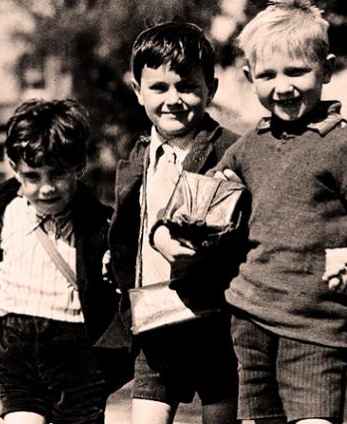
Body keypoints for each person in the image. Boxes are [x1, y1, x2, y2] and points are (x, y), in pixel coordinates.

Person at [212, 0, 347, 424]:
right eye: (267, 75)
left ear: (326, 69)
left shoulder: (342, 145)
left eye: (296, 71)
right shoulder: (247, 147)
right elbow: (208, 201)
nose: (283, 87)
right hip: (249, 318)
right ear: (249, 76)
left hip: (317, 325)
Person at [0, 99, 130, 424]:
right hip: (16, 342)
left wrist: (116, 264)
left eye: (58, 174)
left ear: (79, 167)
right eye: (33, 176)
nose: (46, 188)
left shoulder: (100, 225)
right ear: (14, 168)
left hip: (76, 346)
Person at [107, 21, 241, 424]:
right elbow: (130, 224)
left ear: (210, 89)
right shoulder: (138, 156)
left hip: (217, 323)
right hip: (155, 319)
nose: (173, 100)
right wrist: (116, 257)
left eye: (186, 86)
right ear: (138, 91)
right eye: (159, 88)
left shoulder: (232, 151)